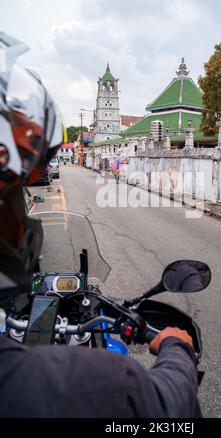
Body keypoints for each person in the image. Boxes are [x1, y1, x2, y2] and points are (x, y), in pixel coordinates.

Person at [0, 33, 201, 418]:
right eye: (14, 200)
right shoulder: (104, 386)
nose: (26, 224)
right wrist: (176, 349)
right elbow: (168, 407)